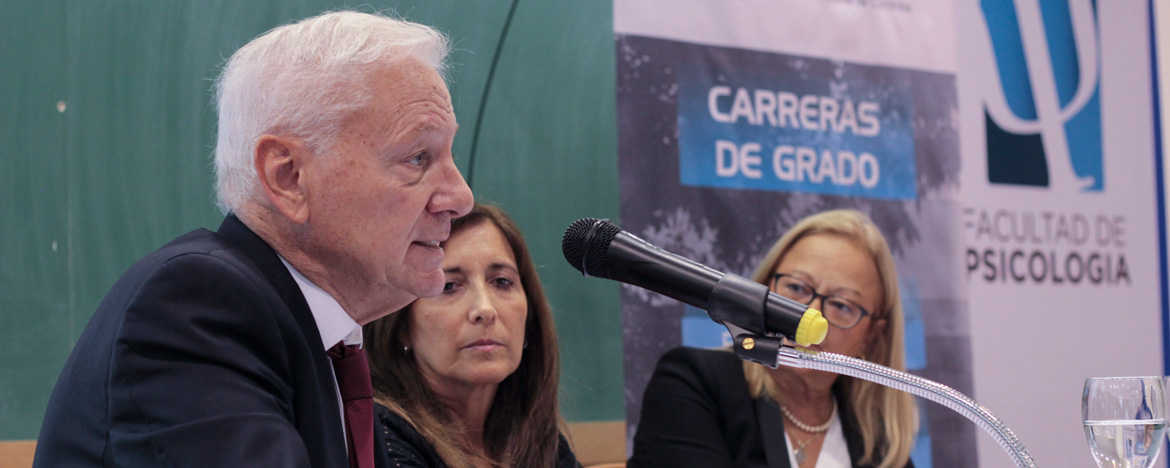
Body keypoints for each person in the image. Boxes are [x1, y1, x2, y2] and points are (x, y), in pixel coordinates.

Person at [33, 11, 473, 468]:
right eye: (418, 157)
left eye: (448, 154)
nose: (460, 197)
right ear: (288, 177)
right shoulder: (196, 306)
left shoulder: (324, 340)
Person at [628, 209, 917, 468]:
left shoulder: (880, 444)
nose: (810, 314)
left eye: (842, 306)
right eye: (797, 288)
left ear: (872, 336)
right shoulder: (693, 382)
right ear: (763, 289)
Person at [364, 203, 581, 468]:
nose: (485, 310)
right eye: (449, 286)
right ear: (400, 328)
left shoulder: (538, 439)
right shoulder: (380, 440)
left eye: (502, 281)